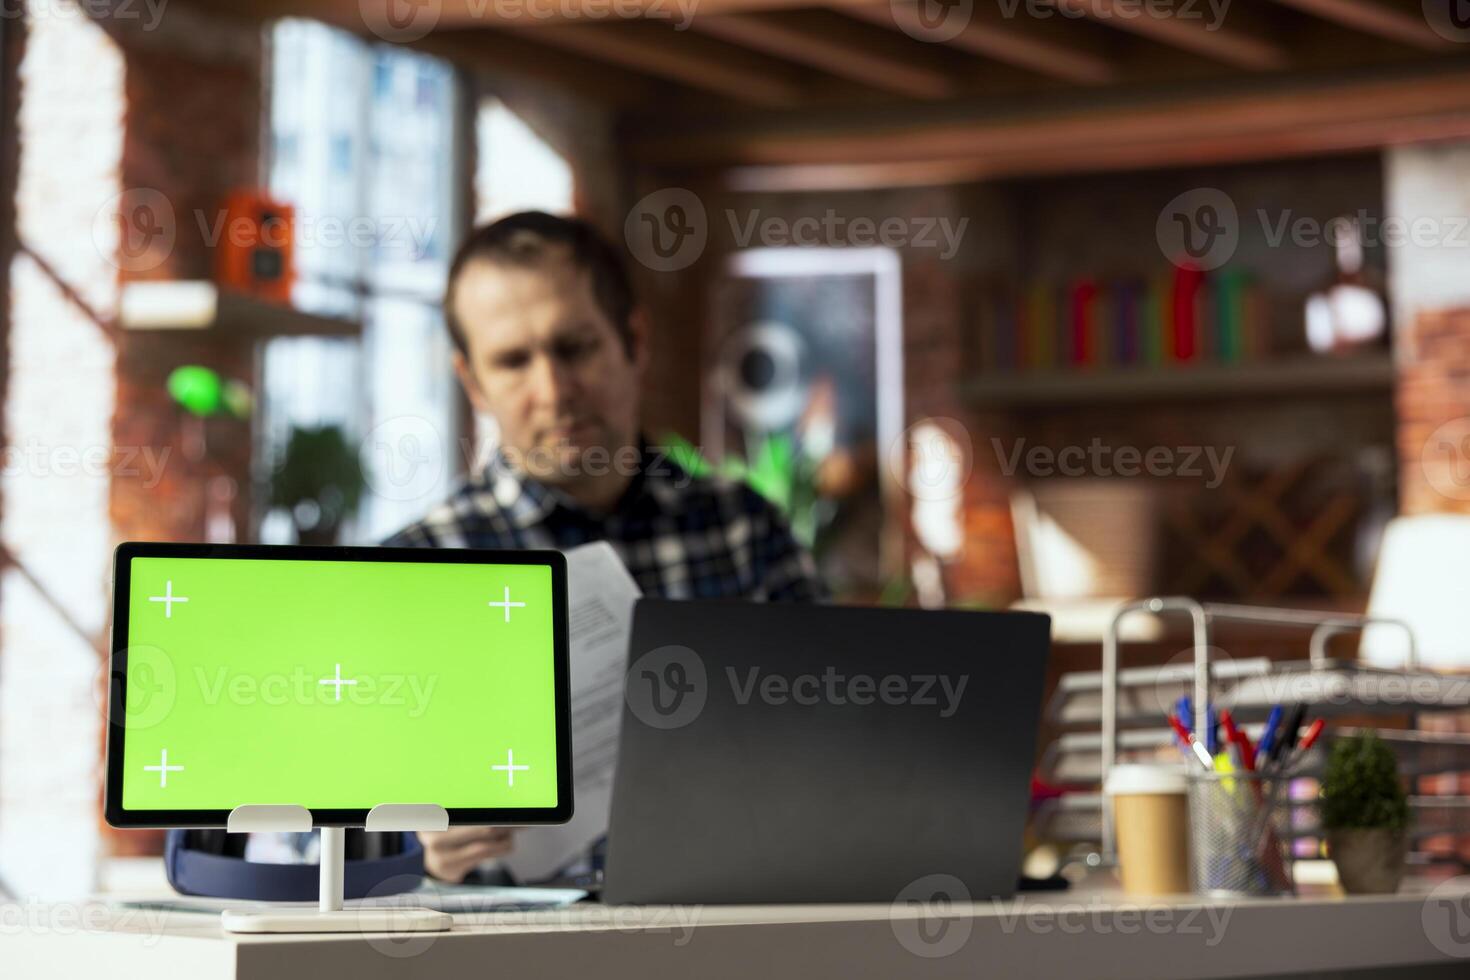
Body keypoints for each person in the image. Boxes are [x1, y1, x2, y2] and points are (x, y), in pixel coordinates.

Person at [383, 211, 824, 882]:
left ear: (634, 341)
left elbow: (841, 751)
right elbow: (303, 844)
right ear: (472, 383)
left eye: (575, 347)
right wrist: (409, 846)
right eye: (512, 361)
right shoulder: (415, 572)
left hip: (737, 939)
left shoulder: (742, 532)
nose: (554, 392)